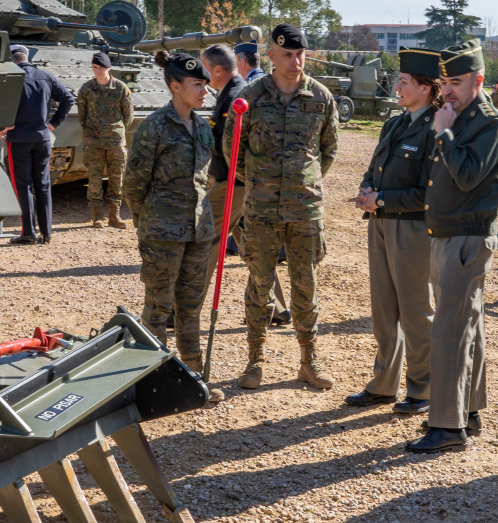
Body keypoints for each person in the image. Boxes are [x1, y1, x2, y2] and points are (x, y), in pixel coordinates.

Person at [406, 38, 498, 453]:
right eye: (445, 81)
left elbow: (468, 176)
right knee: (468, 325)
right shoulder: (457, 114)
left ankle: (448, 427)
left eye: (458, 81)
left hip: (467, 237)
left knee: (449, 331)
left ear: (479, 80)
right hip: (449, 233)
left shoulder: (486, 122)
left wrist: (445, 135)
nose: (447, 89)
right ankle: (467, 409)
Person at [225, 24, 339, 390]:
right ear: (271, 55)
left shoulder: (321, 97)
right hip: (261, 210)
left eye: (301, 54)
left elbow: (328, 150)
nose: (296, 61)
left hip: (305, 209)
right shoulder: (251, 98)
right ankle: (254, 362)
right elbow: (233, 150)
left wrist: (302, 183)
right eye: (288, 55)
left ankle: (310, 361)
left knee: (305, 285)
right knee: (260, 285)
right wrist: (262, 182)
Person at [344, 47, 441, 415]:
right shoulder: (395, 122)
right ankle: (383, 385)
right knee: (383, 310)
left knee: (415, 311)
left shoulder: (436, 127)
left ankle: (423, 389)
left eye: (404, 82)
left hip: (412, 230)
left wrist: (382, 199)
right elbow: (374, 168)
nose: (397, 87)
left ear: (426, 88)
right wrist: (369, 191)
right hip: (381, 224)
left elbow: (430, 192)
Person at [122, 50, 223, 403]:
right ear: (176, 86)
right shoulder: (154, 127)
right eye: (197, 85)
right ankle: (153, 383)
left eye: (206, 85)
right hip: (162, 232)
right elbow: (133, 185)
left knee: (191, 304)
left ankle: (192, 378)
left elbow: (205, 176)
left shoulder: (203, 126)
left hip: (198, 231)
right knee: (158, 307)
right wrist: (148, 222)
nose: (204, 92)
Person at [199, 44, 292, 328]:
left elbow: (235, 147)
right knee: (252, 249)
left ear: (216, 69)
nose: (201, 75)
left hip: (232, 184)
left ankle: (180, 311)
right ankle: (276, 308)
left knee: (204, 242)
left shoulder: (236, 94)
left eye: (203, 68)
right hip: (236, 183)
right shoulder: (231, 91)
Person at [1, 44, 75, 245]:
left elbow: (0, 105)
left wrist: (1, 127)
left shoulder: (11, 78)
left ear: (12, 60)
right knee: (43, 185)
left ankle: (28, 232)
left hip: (19, 140)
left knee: (23, 186)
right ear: (26, 57)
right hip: (42, 138)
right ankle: (47, 232)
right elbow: (68, 99)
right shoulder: (46, 76)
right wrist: (53, 123)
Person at [78, 51, 133, 229]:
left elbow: (128, 115)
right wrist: (92, 131)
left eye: (101, 67)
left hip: (115, 141)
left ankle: (114, 216)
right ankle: (97, 216)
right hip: (94, 141)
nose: (98, 70)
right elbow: (82, 115)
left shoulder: (121, 88)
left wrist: (114, 130)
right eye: (95, 67)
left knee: (117, 178)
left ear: (108, 68)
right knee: (94, 178)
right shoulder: (86, 89)